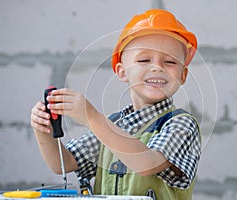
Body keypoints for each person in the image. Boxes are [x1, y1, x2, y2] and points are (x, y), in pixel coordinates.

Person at [31, 9, 201, 200]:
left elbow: (147, 163)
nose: (157, 67)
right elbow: (63, 163)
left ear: (183, 75)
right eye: (144, 59)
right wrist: (43, 128)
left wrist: (91, 117)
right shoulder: (112, 126)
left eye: (170, 61)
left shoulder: (181, 125)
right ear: (122, 72)